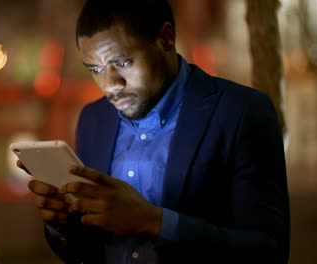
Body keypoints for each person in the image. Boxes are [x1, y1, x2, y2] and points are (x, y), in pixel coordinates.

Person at [22, 0, 290, 263]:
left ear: (166, 37)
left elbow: (267, 250)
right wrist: (63, 225)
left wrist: (155, 222)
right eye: (95, 69)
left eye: (123, 63)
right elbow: (93, 251)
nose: (110, 85)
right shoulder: (94, 119)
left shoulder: (241, 112)